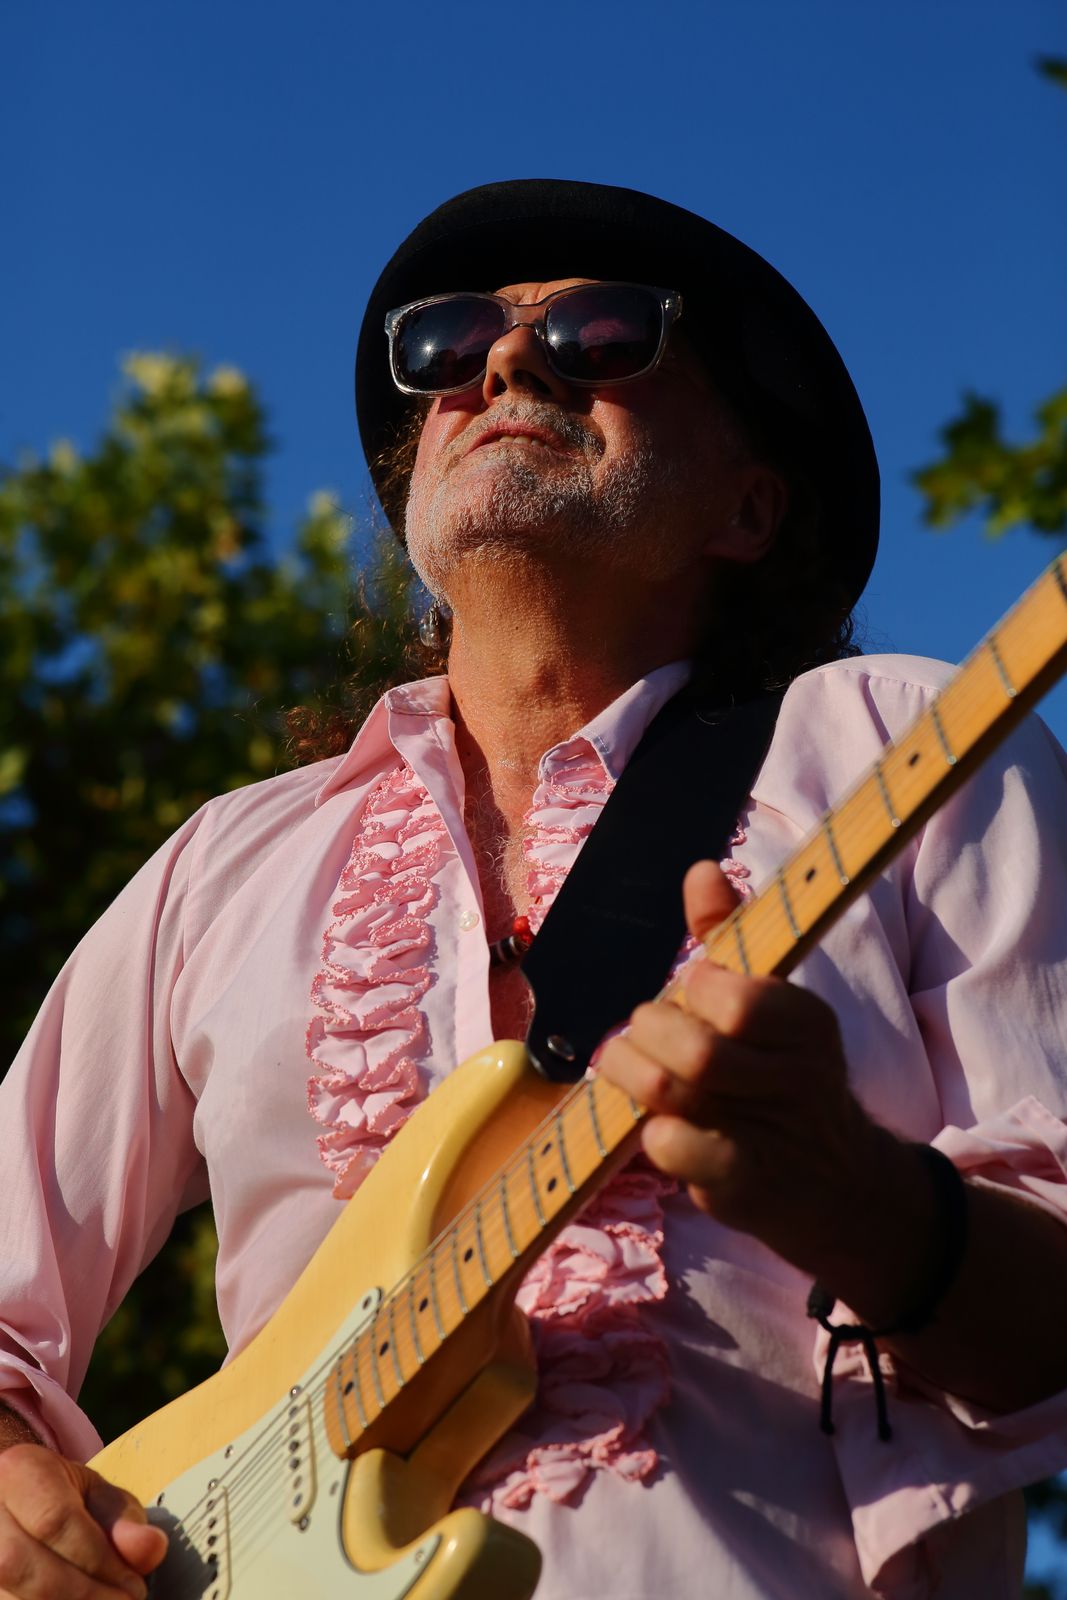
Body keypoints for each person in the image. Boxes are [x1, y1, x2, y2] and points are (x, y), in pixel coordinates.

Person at [1, 178, 1066, 1600]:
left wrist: (853, 1195)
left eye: (603, 332)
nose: (504, 360)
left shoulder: (907, 740)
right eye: (446, 344)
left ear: (751, 507)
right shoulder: (222, 864)